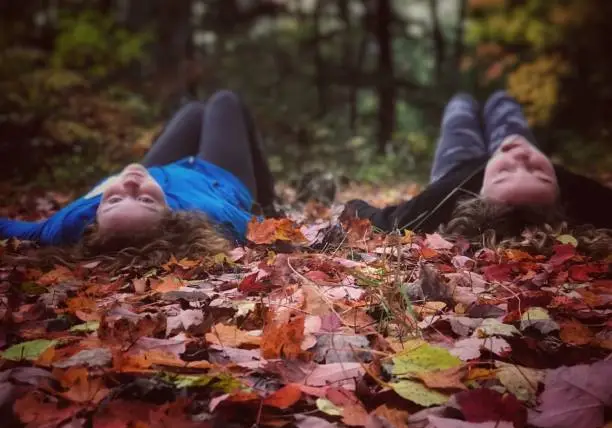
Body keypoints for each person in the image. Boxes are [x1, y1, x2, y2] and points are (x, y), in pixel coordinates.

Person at [0, 90, 277, 267]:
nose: (129, 185)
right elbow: (271, 234)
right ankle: (268, 199)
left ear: (93, 222)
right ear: (172, 218)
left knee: (193, 112)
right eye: (145, 201)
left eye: (115, 200)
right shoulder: (219, 219)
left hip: (155, 172)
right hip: (216, 177)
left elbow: (10, 228)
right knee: (224, 101)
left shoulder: (65, 225)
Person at [343, 91, 612, 253]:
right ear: (560, 197)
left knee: (460, 105)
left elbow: (374, 219)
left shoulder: (441, 200)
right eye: (539, 171)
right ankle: (496, 99)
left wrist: (351, 205)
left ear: (479, 194)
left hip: (457, 162)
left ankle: (466, 98)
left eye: (505, 172)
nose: (518, 154)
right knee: (503, 101)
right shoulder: (582, 197)